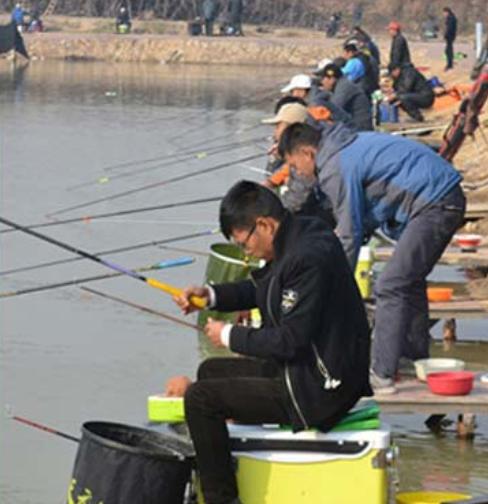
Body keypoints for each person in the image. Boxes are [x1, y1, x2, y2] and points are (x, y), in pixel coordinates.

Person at [169, 180, 372, 504]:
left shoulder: (307, 258)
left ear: (263, 224)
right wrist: (210, 296)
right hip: (310, 369)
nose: (245, 253)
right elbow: (264, 290)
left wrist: (229, 335)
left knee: (200, 399)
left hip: (320, 387)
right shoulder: (300, 235)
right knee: (210, 371)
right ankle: (236, 455)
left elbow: (290, 341)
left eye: (244, 244)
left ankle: (222, 499)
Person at [279, 122, 465, 394]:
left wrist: (333, 284)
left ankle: (382, 373)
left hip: (435, 202)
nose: (297, 173)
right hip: (440, 196)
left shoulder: (334, 167)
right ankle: (412, 359)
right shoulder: (344, 146)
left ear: (308, 153)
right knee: (407, 281)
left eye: (295, 166)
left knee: (390, 285)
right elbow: (360, 218)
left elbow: (349, 234)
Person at [317, 63, 373, 131]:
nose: (322, 82)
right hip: (355, 126)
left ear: (332, 79)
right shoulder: (341, 85)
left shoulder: (344, 87)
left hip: (360, 129)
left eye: (323, 79)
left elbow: (333, 109)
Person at [443, 7, 457, 71]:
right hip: (450, 36)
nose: (444, 14)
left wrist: (447, 35)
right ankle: (449, 64)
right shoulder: (451, 18)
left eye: (445, 13)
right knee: (447, 51)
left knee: (448, 51)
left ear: (447, 12)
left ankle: (449, 64)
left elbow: (450, 28)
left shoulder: (451, 18)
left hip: (450, 36)